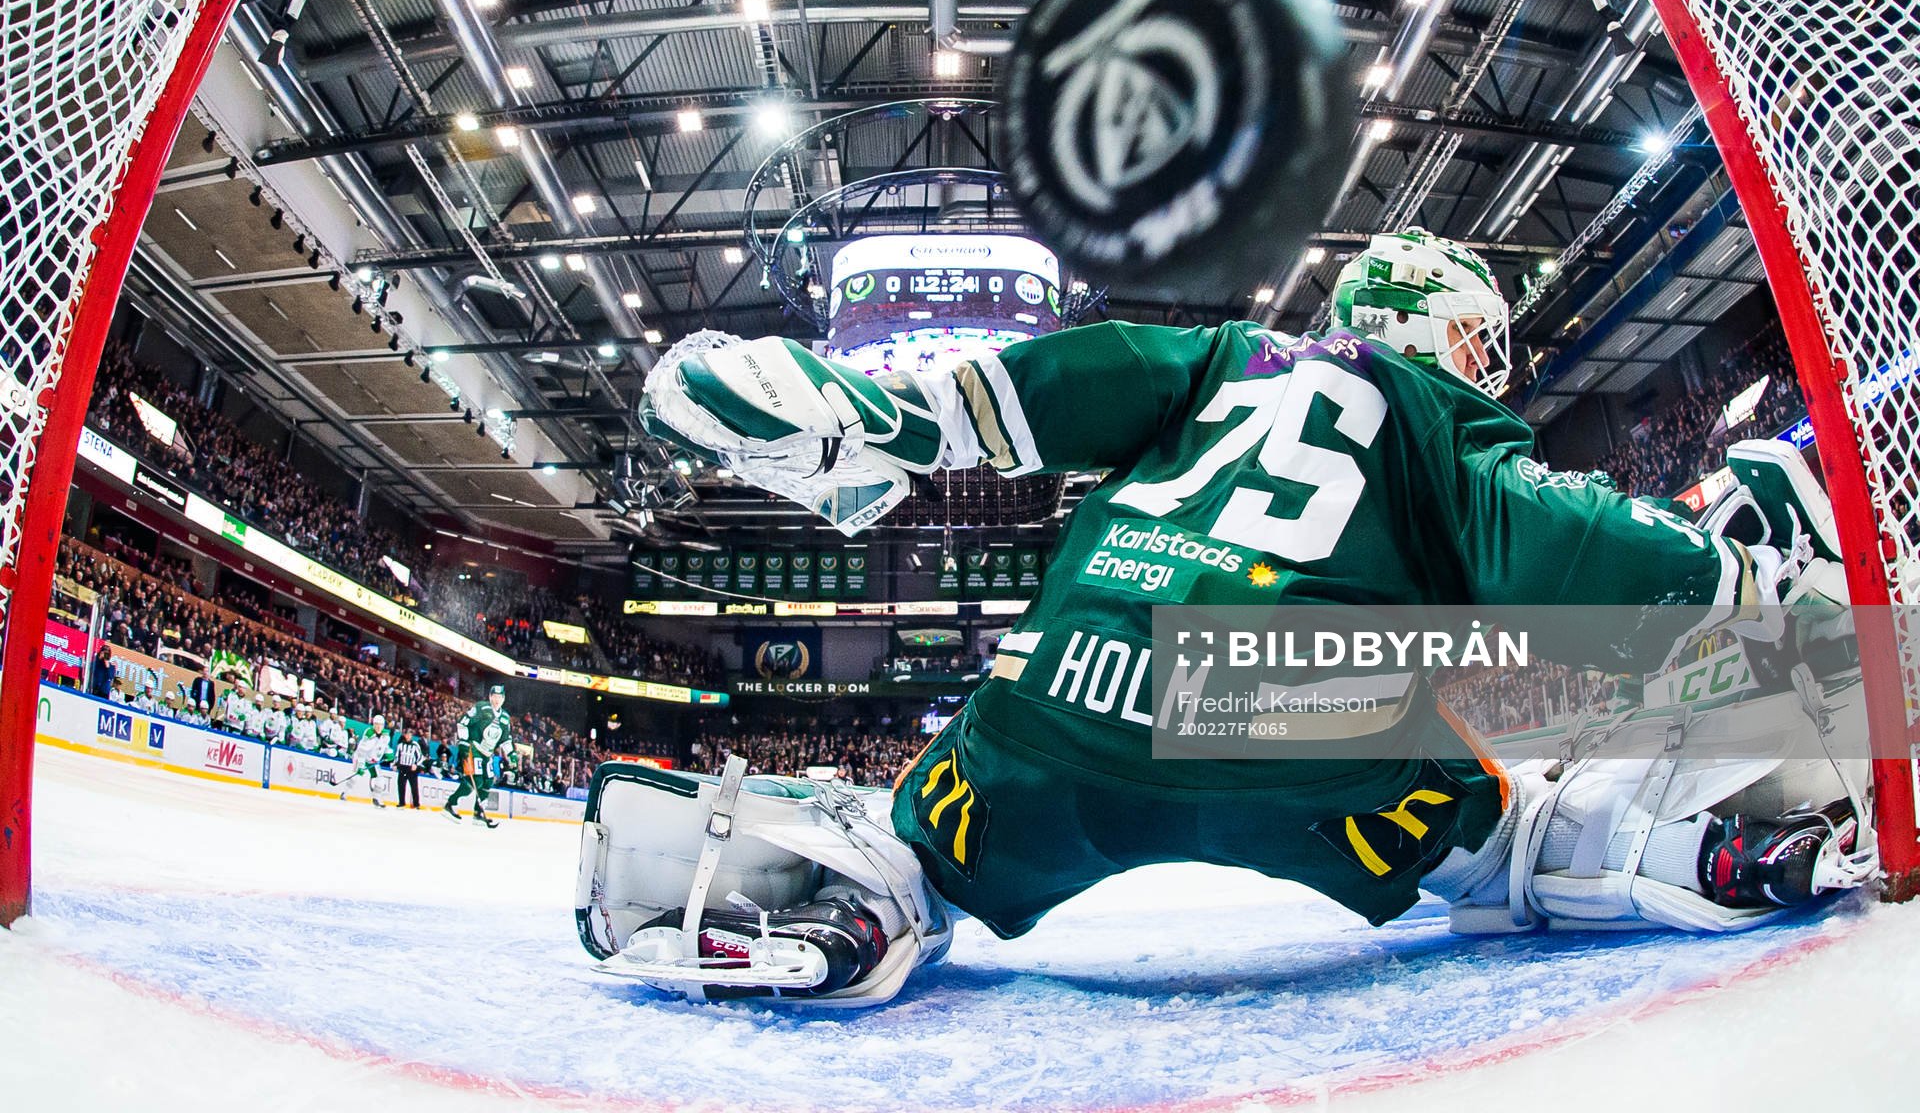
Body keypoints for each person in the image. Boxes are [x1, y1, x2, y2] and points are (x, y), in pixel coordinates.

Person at [601, 227, 1871, 1006]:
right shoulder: (1430, 410)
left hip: (1053, 705)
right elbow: (1550, 542)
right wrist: (1740, 580)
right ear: (1437, 336)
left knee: (921, 849)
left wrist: (852, 414)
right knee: (1509, 827)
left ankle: (840, 895)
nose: (1490, 376)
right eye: (1482, 348)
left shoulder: (1218, 355)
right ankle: (1658, 841)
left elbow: (1002, 399)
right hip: (1301, 708)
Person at [443, 685, 513, 828]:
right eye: (494, 696)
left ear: (503, 699)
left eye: (499, 697)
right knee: (476, 780)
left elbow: (506, 739)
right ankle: (451, 803)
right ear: (489, 697)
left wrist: (512, 754)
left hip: (488, 753)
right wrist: (462, 742)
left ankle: (478, 812)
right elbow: (463, 722)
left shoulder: (505, 717)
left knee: (488, 782)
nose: (496, 700)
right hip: (474, 748)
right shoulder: (481, 708)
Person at [335, 713, 392, 808]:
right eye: (376, 724)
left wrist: (389, 753)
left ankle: (376, 798)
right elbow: (361, 751)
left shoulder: (386, 736)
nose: (378, 727)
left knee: (380, 780)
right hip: (361, 756)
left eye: (380, 725)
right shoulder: (369, 734)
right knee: (356, 776)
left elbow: (386, 747)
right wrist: (360, 765)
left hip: (373, 760)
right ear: (373, 725)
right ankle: (345, 793)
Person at [393, 727, 425, 810]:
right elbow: (397, 756)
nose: (407, 736)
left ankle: (416, 804)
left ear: (411, 735)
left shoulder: (415, 745)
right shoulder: (400, 745)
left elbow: (421, 757)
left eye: (409, 734)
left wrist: (416, 764)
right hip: (403, 767)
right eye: (406, 734)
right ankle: (401, 803)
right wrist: (395, 764)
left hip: (412, 769)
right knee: (401, 785)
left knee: (414, 787)